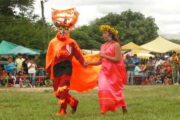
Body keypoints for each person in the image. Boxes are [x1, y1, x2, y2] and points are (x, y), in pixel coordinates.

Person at [46, 8, 87, 116]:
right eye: (60, 28)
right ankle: (74, 102)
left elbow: (78, 54)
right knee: (57, 92)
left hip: (67, 67)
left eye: (65, 29)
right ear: (57, 29)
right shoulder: (53, 42)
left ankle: (62, 110)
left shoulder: (72, 42)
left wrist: (83, 63)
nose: (62, 31)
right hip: (56, 68)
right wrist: (47, 69)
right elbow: (49, 56)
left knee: (63, 89)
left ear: (68, 30)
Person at [85, 25, 128, 114]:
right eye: (103, 33)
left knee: (116, 90)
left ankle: (124, 107)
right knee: (102, 90)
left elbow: (117, 59)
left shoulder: (116, 45)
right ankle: (103, 111)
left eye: (105, 33)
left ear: (111, 34)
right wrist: (89, 63)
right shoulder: (102, 45)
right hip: (104, 72)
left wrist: (105, 56)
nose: (103, 35)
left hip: (114, 72)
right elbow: (100, 61)